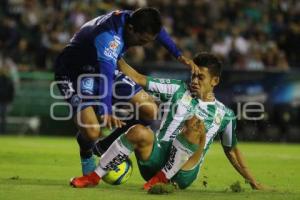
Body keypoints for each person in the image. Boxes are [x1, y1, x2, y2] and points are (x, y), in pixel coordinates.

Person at [70, 52, 264, 190]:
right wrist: (113, 54)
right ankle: (93, 177)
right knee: (138, 130)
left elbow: (232, 151)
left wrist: (251, 180)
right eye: (193, 75)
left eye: (201, 77)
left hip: (184, 171)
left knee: (195, 125)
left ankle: (162, 178)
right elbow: (137, 78)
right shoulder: (178, 88)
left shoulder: (225, 115)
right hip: (155, 159)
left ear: (215, 81)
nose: (194, 80)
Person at [54, 7, 196, 175]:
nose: (142, 45)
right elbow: (106, 76)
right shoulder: (109, 38)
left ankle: (104, 146)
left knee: (150, 110)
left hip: (100, 65)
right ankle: (86, 153)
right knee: (92, 131)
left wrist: (178, 55)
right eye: (142, 41)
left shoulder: (133, 18)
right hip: (74, 73)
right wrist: (105, 110)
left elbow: (159, 32)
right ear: (131, 29)